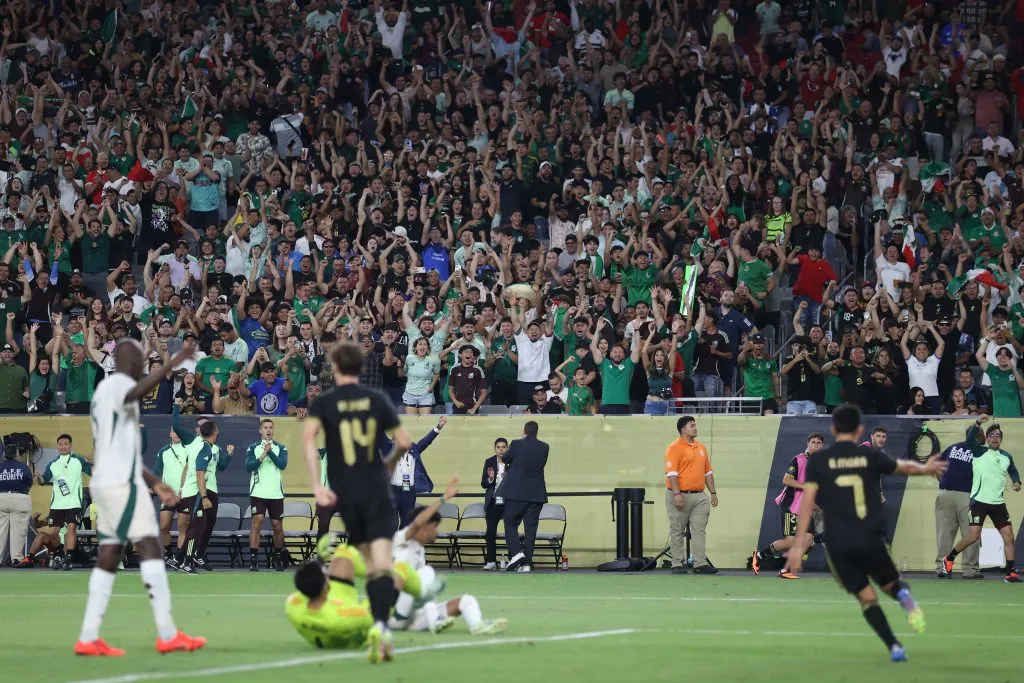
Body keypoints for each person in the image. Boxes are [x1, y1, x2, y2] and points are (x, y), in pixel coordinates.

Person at [784, 404, 947, 662]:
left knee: (867, 598)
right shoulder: (870, 456)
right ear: (860, 430)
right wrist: (926, 469)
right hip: (869, 537)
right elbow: (902, 467)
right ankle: (903, 596)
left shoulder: (818, 460)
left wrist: (796, 548)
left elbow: (807, 503)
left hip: (839, 544)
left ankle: (894, 646)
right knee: (890, 584)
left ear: (833, 429)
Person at [75, 338, 205, 656]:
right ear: (130, 362)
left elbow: (120, 451)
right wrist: (171, 365)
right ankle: (167, 633)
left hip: (107, 482)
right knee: (150, 545)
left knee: (110, 553)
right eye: (140, 360)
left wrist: (156, 482)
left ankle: (88, 637)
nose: (142, 365)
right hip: (121, 484)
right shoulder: (118, 384)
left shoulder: (106, 395)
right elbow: (136, 391)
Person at [303, 342, 412, 664]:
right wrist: (388, 465)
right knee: (381, 563)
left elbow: (308, 440)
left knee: (365, 556)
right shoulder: (377, 399)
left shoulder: (323, 402)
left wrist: (315, 486)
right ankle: (381, 626)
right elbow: (404, 442)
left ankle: (376, 623)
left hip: (345, 490)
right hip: (376, 486)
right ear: (362, 367)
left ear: (335, 366)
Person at [391, 479, 508, 635]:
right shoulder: (400, 539)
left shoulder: (420, 551)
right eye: (435, 527)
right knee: (426, 573)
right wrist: (444, 498)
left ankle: (477, 625)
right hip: (393, 613)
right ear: (424, 526)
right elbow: (417, 523)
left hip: (414, 617)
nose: (437, 532)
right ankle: (435, 620)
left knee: (467, 600)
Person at [941, 416, 1022, 583]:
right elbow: (970, 438)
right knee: (973, 537)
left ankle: (1011, 572)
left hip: (998, 504)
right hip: (979, 502)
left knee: (1009, 537)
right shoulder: (978, 451)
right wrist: (977, 423)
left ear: (1001, 439)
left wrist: (1016, 482)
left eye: (997, 435)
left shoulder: (1006, 456)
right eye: (991, 435)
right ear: (986, 438)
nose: (994, 438)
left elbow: (1013, 470)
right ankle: (949, 559)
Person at [752, 433, 825, 579]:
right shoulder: (799, 460)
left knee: (808, 539)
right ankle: (760, 554)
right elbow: (787, 480)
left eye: (819, 443)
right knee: (790, 541)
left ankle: (788, 570)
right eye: (813, 442)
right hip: (791, 504)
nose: (816, 445)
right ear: (808, 444)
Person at [172, 410, 234, 573]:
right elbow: (200, 473)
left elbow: (176, 425)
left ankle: (179, 560)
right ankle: (187, 561)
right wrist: (204, 496)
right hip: (197, 492)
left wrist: (176, 409)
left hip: (194, 491)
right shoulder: (204, 448)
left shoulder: (196, 443)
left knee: (199, 526)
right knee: (198, 527)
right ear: (215, 432)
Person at [664, 416, 718, 575]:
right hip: (679, 495)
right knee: (677, 530)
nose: (695, 428)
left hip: (699, 496)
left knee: (699, 531)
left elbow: (708, 472)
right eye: (691, 426)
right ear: (683, 430)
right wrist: (677, 494)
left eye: (695, 425)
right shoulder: (674, 447)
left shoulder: (701, 447)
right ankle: (677, 563)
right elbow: (672, 474)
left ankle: (700, 563)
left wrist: (713, 493)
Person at [36, 434, 91, 570]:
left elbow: (93, 472)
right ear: (57, 446)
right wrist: (38, 477)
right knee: (54, 534)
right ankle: (60, 553)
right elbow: (44, 480)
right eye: (60, 444)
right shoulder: (53, 464)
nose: (63, 446)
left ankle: (69, 558)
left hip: (74, 503)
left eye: (66, 444)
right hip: (57, 505)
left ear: (71, 445)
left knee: (71, 529)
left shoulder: (79, 460)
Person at [502, 421, 549, 572]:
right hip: (536, 494)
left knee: (510, 523)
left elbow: (504, 459)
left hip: (516, 493)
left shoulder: (516, 444)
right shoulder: (544, 447)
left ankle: (517, 554)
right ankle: (527, 563)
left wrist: (520, 441)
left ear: (524, 431)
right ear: (537, 431)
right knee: (531, 529)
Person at [934, 429, 981, 579]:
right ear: (980, 437)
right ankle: (970, 570)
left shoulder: (953, 447)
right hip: (967, 496)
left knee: (944, 533)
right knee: (971, 534)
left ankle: (942, 569)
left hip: (945, 493)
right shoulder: (980, 451)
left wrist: (943, 481)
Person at [245, 419, 288, 572]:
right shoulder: (253, 447)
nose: (268, 430)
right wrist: (263, 454)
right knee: (257, 521)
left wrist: (271, 453)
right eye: (265, 428)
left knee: (277, 526)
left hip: (276, 493)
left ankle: (277, 556)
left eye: (271, 428)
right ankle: (253, 559)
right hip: (258, 492)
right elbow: (249, 467)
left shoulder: (281, 448)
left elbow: (282, 465)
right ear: (260, 431)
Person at [389, 417, 444, 528]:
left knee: (407, 523)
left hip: (408, 491)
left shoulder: (413, 449)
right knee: (391, 523)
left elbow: (426, 441)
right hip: (392, 491)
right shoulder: (388, 451)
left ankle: (404, 544)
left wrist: (438, 427)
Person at [152, 426, 192, 563]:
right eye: (173, 431)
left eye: (178, 432)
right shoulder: (163, 451)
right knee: (164, 527)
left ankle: (180, 559)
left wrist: (183, 489)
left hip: (185, 494)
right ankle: (168, 554)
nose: (176, 434)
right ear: (170, 433)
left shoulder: (188, 449)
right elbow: (156, 471)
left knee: (183, 528)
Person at [0, 448, 32, 564]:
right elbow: (29, 483)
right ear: (17, 454)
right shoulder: (23, 467)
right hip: (19, 498)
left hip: (1, 497)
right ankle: (16, 559)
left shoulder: (0, 466)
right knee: (18, 532)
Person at [481, 438, 509, 571]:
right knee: (490, 532)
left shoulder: (512, 462)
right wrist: (491, 478)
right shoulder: (489, 462)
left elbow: (518, 483)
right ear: (495, 449)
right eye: (498, 447)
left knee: (511, 532)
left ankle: (512, 560)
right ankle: (491, 561)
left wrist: (510, 478)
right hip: (493, 501)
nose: (501, 449)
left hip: (508, 501)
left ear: (507, 448)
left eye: (503, 447)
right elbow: (483, 483)